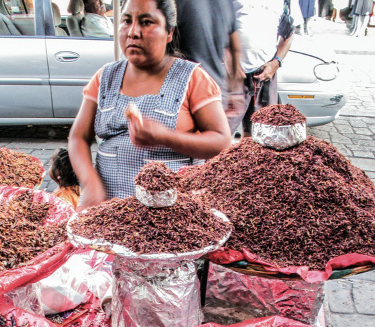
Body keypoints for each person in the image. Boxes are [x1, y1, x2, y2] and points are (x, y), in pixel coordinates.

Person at [68, 0, 232, 208]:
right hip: (109, 210)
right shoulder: (105, 77)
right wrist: (90, 185)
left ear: (169, 32)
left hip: (173, 215)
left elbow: (222, 142)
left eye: (146, 22)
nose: (133, 32)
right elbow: (78, 137)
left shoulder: (192, 78)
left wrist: (165, 137)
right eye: (126, 21)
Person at [226, 0, 296, 136]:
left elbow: (289, 33)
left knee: (259, 135)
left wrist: (276, 62)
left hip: (265, 74)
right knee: (221, 132)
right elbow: (215, 24)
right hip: (231, 74)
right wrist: (229, 60)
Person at [174, 0, 245, 118]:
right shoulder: (226, 2)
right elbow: (235, 48)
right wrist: (234, 90)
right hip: (214, 93)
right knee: (215, 135)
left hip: (183, 96)